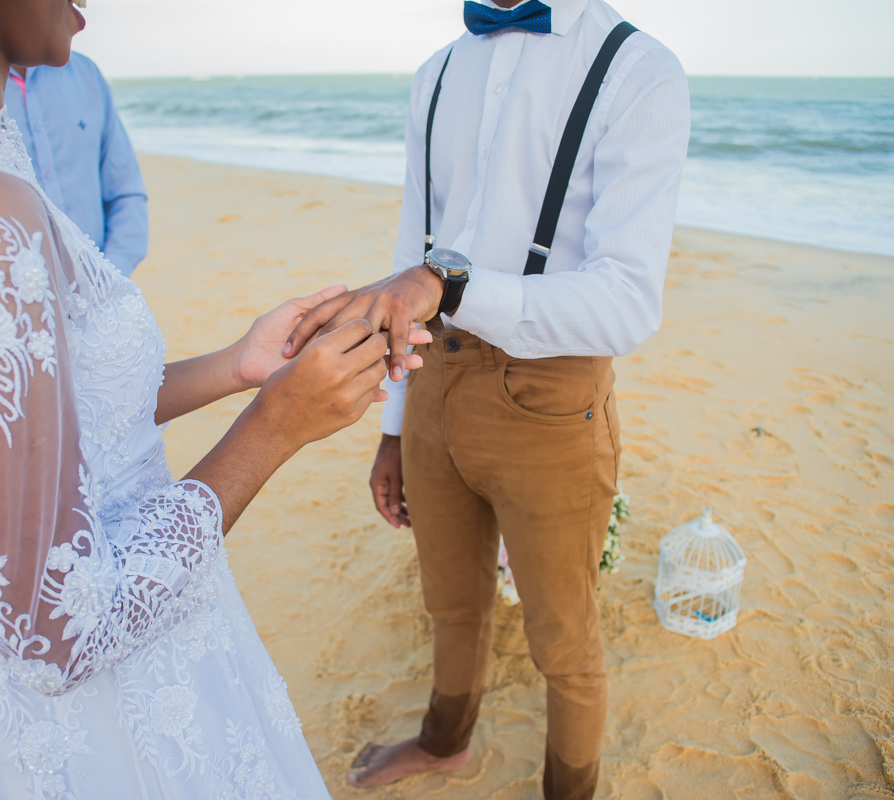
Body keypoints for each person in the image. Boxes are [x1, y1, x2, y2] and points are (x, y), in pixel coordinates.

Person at [0, 0, 430, 797]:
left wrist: (240, 365)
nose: (88, 6)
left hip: (116, 619)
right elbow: (55, 635)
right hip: (96, 711)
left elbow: (56, 419)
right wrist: (274, 427)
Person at [285, 0, 691, 797]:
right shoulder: (437, 72)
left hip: (551, 396)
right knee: (452, 600)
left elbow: (628, 301)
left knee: (563, 640)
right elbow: (413, 248)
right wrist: (396, 425)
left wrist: (450, 286)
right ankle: (444, 742)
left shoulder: (639, 69)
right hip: (431, 378)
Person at [4, 53, 148, 277]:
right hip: (13, 296)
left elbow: (126, 192)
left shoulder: (86, 73)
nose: (79, 22)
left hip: (100, 289)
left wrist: (107, 279)